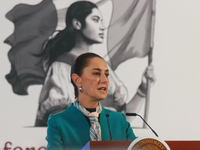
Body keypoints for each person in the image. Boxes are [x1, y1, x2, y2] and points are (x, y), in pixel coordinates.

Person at [35, 1, 156, 126]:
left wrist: (142, 89)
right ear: (77, 24)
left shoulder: (103, 67)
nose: (102, 26)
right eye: (95, 20)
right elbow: (62, 124)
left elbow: (122, 121)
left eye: (101, 21)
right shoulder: (62, 67)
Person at [46, 53, 137, 150]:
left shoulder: (119, 120)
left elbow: (138, 147)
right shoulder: (59, 122)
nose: (104, 80)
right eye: (96, 73)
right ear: (77, 80)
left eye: (106, 74)